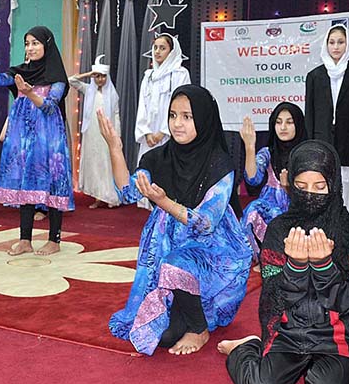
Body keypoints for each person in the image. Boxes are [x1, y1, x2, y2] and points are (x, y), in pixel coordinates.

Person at [99, 84, 252, 356]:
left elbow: (206, 223)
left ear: (203, 120)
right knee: (164, 335)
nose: (177, 124)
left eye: (187, 117)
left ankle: (199, 328)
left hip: (212, 253)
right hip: (169, 247)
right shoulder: (158, 157)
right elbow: (127, 192)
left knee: (175, 265)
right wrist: (115, 148)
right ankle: (187, 310)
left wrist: (164, 202)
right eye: (173, 115)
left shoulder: (220, 163)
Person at [218, 140, 349, 384]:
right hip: (289, 330)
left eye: (320, 187)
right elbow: (274, 298)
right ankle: (245, 348)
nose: (310, 195)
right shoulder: (278, 230)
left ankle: (316, 368)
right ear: (291, 186)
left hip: (334, 332)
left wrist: (324, 267)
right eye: (301, 187)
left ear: (333, 185)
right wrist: (297, 267)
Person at [0, 24, 74, 256]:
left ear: (46, 45)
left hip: (47, 136)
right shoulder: (21, 71)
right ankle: (25, 239)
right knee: (25, 181)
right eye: (27, 44)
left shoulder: (56, 76)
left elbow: (50, 107)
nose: (30, 48)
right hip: (22, 135)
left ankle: (54, 239)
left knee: (51, 181)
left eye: (35, 43)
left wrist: (30, 93)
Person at [305, 23, 349, 216]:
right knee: (323, 186)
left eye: (340, 42)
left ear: (348, 45)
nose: (336, 47)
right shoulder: (315, 76)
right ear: (326, 45)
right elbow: (310, 113)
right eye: (332, 42)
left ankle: (347, 231)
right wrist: (311, 143)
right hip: (322, 141)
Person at [239, 102, 307, 263]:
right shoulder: (267, 153)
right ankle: (263, 258)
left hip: (297, 212)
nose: (283, 127)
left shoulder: (306, 154)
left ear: (298, 124)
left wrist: (288, 188)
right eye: (278, 122)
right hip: (270, 207)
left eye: (289, 122)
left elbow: (310, 198)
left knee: (279, 216)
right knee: (253, 210)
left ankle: (281, 259)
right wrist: (250, 146)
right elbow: (252, 180)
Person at [134, 33, 191, 209]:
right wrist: (147, 132)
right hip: (150, 138)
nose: (158, 52)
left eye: (163, 48)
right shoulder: (149, 75)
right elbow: (142, 106)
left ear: (172, 51)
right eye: (156, 47)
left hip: (171, 135)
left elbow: (183, 106)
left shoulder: (180, 74)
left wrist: (163, 132)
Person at [69, 54, 120, 209]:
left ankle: (110, 196)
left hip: (106, 134)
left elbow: (116, 116)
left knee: (106, 163)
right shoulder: (88, 90)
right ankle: (98, 197)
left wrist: (116, 136)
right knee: (95, 163)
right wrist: (87, 75)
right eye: (97, 77)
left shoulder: (112, 94)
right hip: (91, 134)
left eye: (102, 76)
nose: (100, 80)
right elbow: (71, 80)